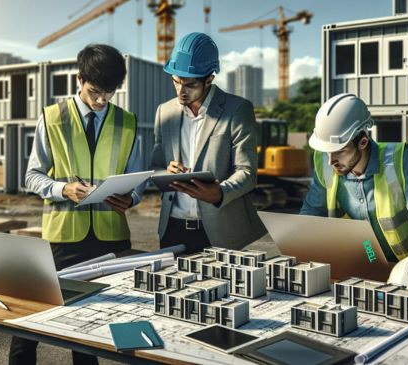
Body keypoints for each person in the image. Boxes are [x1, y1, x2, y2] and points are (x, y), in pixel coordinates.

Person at [18, 44, 145, 365]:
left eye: (110, 93)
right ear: (79, 79)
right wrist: (63, 188)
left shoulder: (127, 122)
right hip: (63, 238)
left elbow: (138, 178)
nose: (102, 100)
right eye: (95, 91)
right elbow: (31, 176)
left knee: (106, 321)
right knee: (31, 321)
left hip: (113, 237)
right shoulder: (52, 118)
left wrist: (132, 197)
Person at [300, 93, 408, 268]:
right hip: (359, 263)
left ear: (362, 142)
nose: (331, 161)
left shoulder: (403, 160)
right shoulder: (325, 163)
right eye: (327, 151)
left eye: (340, 151)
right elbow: (312, 213)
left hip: (404, 268)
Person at [151, 32, 266, 253]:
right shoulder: (164, 112)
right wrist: (165, 172)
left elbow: (247, 172)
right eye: (176, 82)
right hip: (172, 229)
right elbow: (155, 167)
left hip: (219, 231)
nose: (180, 91)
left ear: (209, 79)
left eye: (190, 85)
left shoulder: (237, 110)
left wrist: (220, 192)